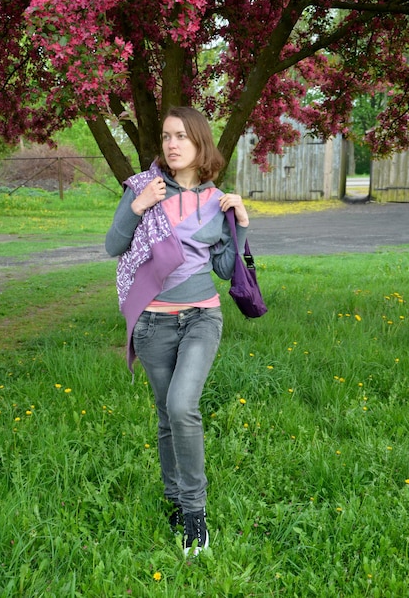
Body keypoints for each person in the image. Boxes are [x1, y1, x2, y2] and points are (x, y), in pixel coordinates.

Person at [105, 106, 249, 556]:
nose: (171, 144)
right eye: (166, 136)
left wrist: (241, 225)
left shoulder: (216, 201)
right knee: (167, 417)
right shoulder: (143, 189)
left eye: (182, 137)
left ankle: (195, 515)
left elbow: (226, 269)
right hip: (151, 321)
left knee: (183, 406)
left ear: (200, 144)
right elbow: (113, 245)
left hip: (201, 316)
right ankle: (174, 499)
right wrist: (139, 206)